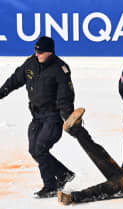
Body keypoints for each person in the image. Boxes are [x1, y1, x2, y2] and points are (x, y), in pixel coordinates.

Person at [0, 36, 76, 198]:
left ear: (50, 52)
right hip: (36, 116)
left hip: (53, 117)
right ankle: (63, 174)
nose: (37, 54)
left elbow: (65, 95)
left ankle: (50, 186)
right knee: (34, 150)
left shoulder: (60, 68)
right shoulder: (31, 63)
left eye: (41, 52)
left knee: (41, 148)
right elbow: (15, 79)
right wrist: (2, 92)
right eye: (36, 51)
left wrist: (69, 117)